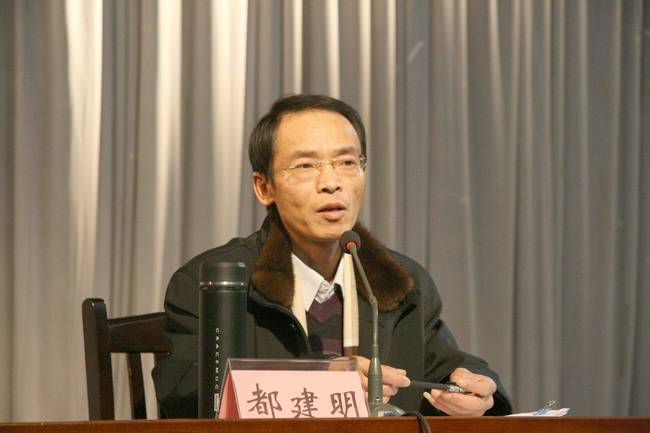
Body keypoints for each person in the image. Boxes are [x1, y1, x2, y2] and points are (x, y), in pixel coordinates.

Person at [152, 94, 513, 418]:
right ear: (264, 187)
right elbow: (185, 393)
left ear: (363, 172)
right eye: (305, 166)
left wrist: (474, 389)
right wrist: (323, 380)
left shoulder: (401, 280)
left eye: (346, 162)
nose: (331, 182)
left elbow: (446, 365)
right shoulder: (212, 281)